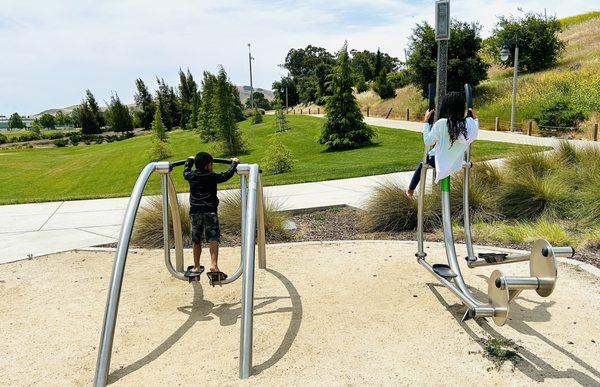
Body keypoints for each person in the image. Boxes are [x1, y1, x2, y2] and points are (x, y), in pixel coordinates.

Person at [406, 91, 478, 198]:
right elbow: (475, 126)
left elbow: (428, 141)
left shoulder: (441, 123)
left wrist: (426, 122)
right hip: (456, 162)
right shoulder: (470, 124)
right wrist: (474, 117)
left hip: (439, 161)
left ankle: (410, 190)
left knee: (423, 164)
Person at [184, 152, 239, 281]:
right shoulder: (211, 176)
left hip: (195, 212)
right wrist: (234, 163)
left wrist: (189, 161)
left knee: (196, 239)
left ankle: (196, 267)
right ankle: (214, 265)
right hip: (210, 212)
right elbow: (226, 175)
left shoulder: (191, 176)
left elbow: (185, 171)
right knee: (213, 237)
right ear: (209, 165)